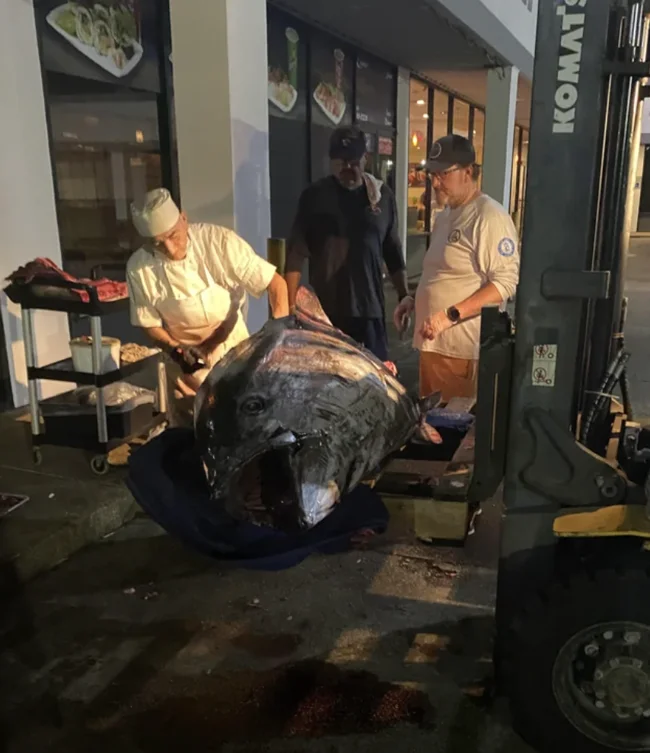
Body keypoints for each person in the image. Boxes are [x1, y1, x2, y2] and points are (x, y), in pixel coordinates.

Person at [126, 188, 289, 424]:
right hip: (184, 365)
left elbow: (275, 284)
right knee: (191, 431)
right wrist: (176, 350)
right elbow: (149, 323)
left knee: (240, 424)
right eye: (158, 244)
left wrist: (278, 338)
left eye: (173, 236)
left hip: (232, 352)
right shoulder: (138, 267)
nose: (170, 249)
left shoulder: (219, 243)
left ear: (184, 218)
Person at [393, 134, 520, 402]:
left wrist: (448, 316)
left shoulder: (488, 216)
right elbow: (441, 273)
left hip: (459, 350)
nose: (435, 183)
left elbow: (505, 284)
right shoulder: (446, 216)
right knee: (431, 418)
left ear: (468, 172)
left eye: (443, 174)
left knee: (450, 421)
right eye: (432, 174)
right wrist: (413, 300)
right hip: (433, 344)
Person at [285, 125, 409, 361]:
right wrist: (289, 309)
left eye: (353, 161)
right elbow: (295, 254)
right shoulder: (314, 197)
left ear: (365, 158)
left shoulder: (382, 197)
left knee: (374, 375)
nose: (347, 168)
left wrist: (404, 296)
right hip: (323, 315)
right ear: (331, 161)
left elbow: (393, 250)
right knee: (325, 376)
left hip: (370, 312)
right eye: (340, 162)